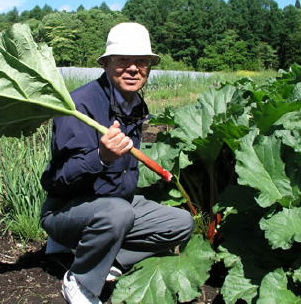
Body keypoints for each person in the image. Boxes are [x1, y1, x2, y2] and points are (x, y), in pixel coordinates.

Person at [40, 22, 193, 304]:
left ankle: (107, 259)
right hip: (66, 210)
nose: (134, 68)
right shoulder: (79, 106)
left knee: (181, 224)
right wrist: (101, 156)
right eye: (123, 60)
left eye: (142, 61)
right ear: (107, 63)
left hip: (116, 203)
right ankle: (80, 279)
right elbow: (55, 181)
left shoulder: (134, 104)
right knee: (117, 213)